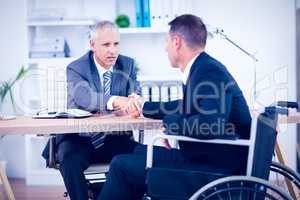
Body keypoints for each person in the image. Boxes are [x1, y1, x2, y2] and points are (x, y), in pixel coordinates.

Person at [98, 14, 252, 200]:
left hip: (217, 170)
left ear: (177, 42)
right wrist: (144, 105)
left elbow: (211, 123)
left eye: (167, 42)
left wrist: (171, 125)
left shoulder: (209, 71)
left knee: (121, 165)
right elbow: (184, 106)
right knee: (133, 150)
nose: (165, 48)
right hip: (211, 158)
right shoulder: (203, 67)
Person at [42, 21, 140, 200]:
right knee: (69, 160)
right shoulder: (76, 68)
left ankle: (106, 193)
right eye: (106, 44)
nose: (113, 50)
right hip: (79, 139)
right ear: (92, 45)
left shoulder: (128, 65)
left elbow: (135, 91)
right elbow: (84, 98)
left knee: (143, 155)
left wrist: (135, 99)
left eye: (116, 44)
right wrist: (115, 100)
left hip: (115, 138)